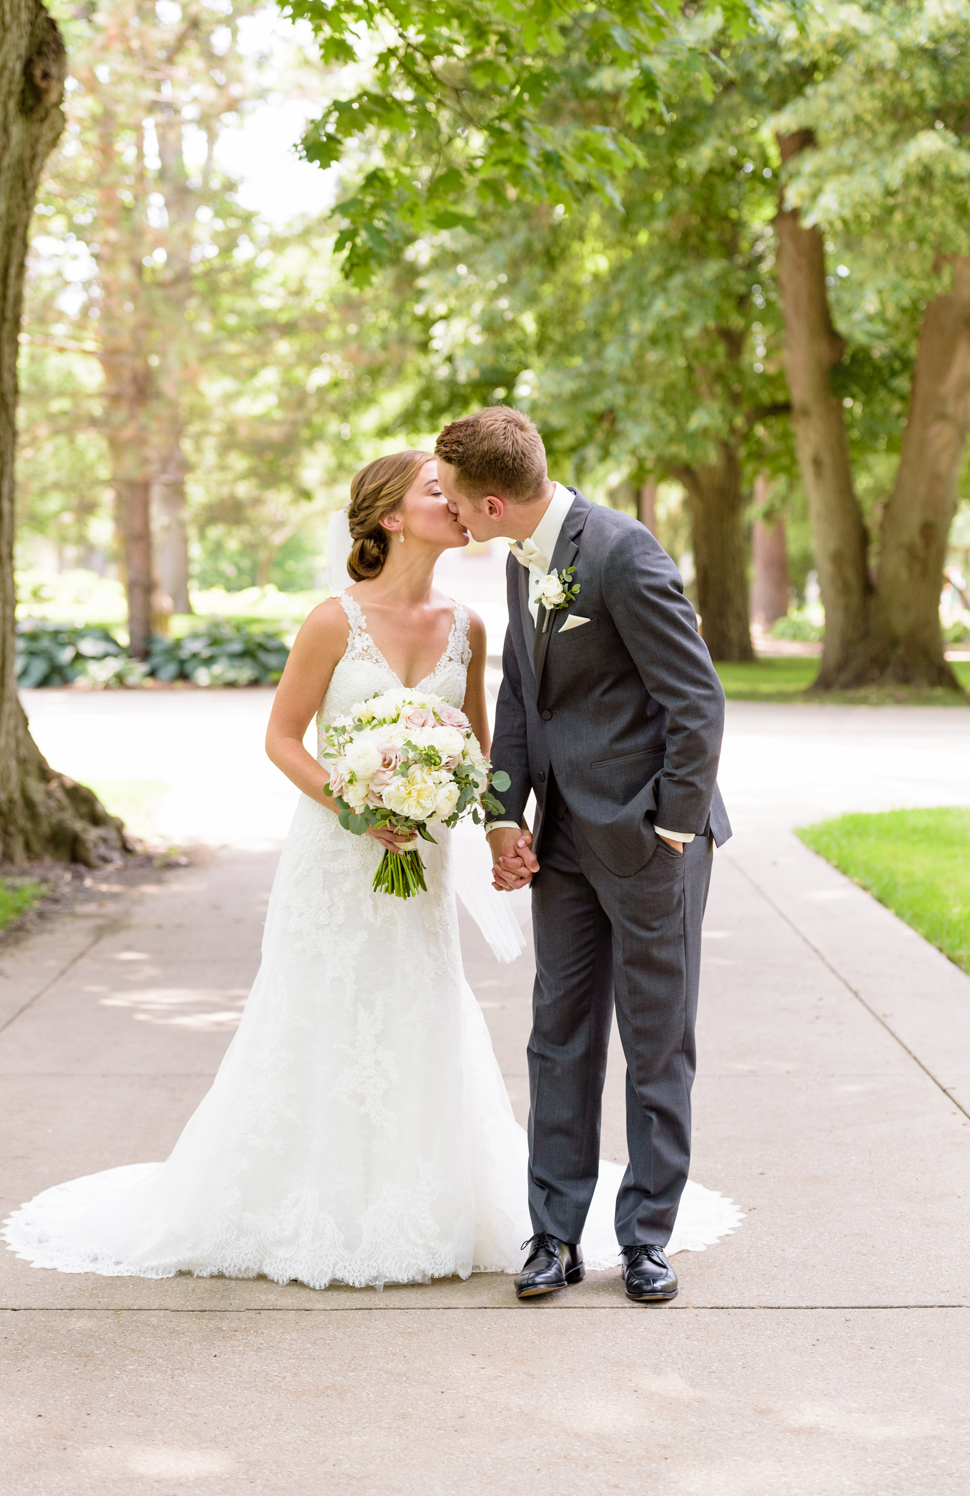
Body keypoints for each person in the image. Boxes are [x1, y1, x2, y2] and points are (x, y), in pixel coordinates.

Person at [2, 451, 738, 1289]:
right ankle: (501, 1227)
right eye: (437, 492)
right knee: (366, 1023)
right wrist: (361, 805)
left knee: (455, 1025)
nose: (456, 507)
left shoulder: (474, 620)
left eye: (458, 492)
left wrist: (500, 820)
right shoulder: (333, 621)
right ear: (390, 515)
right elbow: (286, 738)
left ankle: (625, 1238)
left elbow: (492, 741)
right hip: (340, 856)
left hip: (435, 860)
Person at [436, 407, 731, 1305]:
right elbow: (524, 703)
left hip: (648, 844)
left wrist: (671, 831)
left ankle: (645, 1239)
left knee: (655, 1042)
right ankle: (554, 1236)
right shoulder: (526, 561)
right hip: (561, 843)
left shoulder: (623, 553)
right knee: (557, 1038)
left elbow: (698, 703)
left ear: (492, 503)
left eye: (452, 499)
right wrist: (500, 815)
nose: (447, 513)